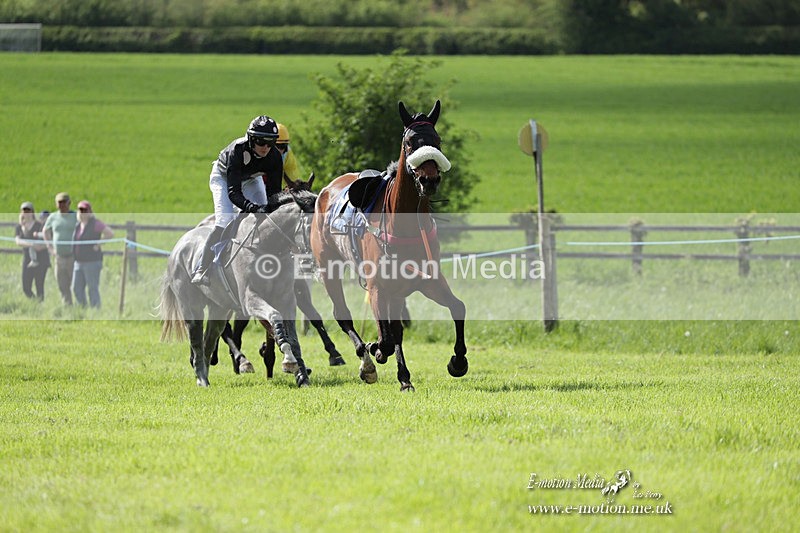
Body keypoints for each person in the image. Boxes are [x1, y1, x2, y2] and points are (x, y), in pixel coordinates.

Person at [191, 115, 284, 283]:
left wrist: (268, 208)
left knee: (267, 215)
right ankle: (202, 267)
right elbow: (234, 193)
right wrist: (252, 207)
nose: (266, 148)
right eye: (261, 142)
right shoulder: (238, 150)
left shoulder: (274, 157)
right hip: (223, 177)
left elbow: (274, 193)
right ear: (251, 139)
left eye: (270, 143)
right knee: (225, 219)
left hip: (251, 178)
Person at [71, 200, 114, 309]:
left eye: (85, 210)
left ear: (90, 211)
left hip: (92, 262)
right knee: (76, 288)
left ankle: (95, 310)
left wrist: (98, 244)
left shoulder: (95, 224)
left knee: (92, 288)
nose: (82, 212)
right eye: (80, 210)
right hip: (78, 262)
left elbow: (110, 233)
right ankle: (82, 309)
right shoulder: (77, 226)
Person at [43, 192, 78, 305]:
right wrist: (49, 247)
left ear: (69, 203)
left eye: (64, 202)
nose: (62, 205)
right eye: (59, 203)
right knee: (62, 284)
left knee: (75, 284)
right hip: (59, 257)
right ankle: (67, 307)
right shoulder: (53, 217)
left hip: (73, 256)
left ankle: (80, 305)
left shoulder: (75, 216)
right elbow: (45, 231)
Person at [14, 201, 50, 301]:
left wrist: (40, 246)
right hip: (27, 259)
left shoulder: (40, 225)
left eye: (28, 210)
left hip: (41, 259)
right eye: (24, 210)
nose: (26, 212)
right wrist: (32, 245)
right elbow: (18, 241)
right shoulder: (19, 227)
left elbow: (47, 241)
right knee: (26, 287)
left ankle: (40, 308)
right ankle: (35, 303)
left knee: (39, 285)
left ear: (32, 211)